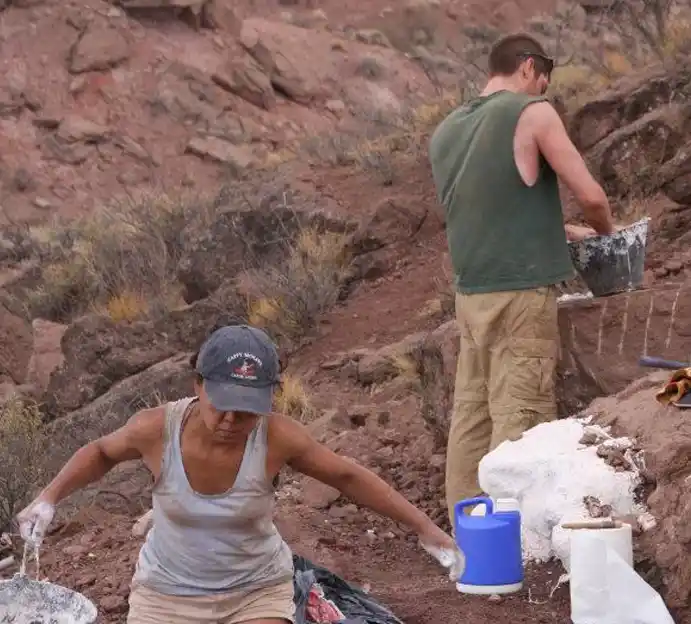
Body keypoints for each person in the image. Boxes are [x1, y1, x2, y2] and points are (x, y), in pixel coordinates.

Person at [16, 324, 463, 624]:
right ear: (198, 386)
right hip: (166, 594)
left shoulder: (278, 437)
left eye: (247, 410)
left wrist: (425, 528)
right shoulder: (156, 429)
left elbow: (346, 477)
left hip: (255, 590)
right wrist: (49, 497)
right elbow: (100, 452)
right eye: (221, 405)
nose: (232, 420)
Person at [427, 32, 618, 523]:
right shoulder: (531, 113)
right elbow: (592, 197)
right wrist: (607, 236)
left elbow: (489, 206)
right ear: (529, 67)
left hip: (471, 294)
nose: (544, 90)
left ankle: (470, 535)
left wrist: (555, 231)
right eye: (544, 80)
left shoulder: (448, 130)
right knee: (522, 417)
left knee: (473, 414)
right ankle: (518, 542)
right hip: (520, 295)